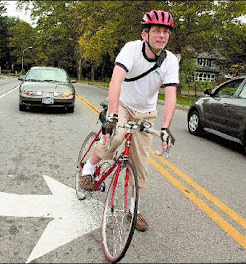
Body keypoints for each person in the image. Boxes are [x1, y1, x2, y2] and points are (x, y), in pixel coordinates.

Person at [80, 10, 179, 232]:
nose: (161, 36)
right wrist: (113, 116)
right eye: (157, 31)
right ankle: (88, 168)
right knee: (115, 136)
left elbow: (171, 94)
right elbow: (116, 81)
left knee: (140, 165)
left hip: (146, 112)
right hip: (123, 104)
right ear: (145, 34)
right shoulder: (131, 49)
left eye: (165, 32)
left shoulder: (170, 61)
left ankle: (133, 209)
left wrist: (165, 128)